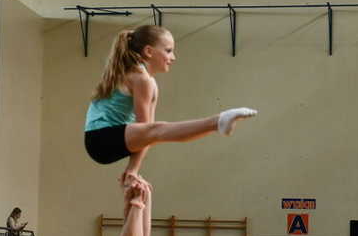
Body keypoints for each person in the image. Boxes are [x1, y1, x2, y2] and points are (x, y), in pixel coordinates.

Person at [84, 25, 257, 182]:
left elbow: (147, 135)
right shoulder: (139, 78)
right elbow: (148, 131)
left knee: (158, 131)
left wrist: (132, 171)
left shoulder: (149, 82)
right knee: (158, 130)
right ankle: (217, 122)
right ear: (149, 51)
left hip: (108, 141)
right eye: (168, 51)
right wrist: (133, 169)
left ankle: (217, 124)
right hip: (99, 138)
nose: (173, 57)